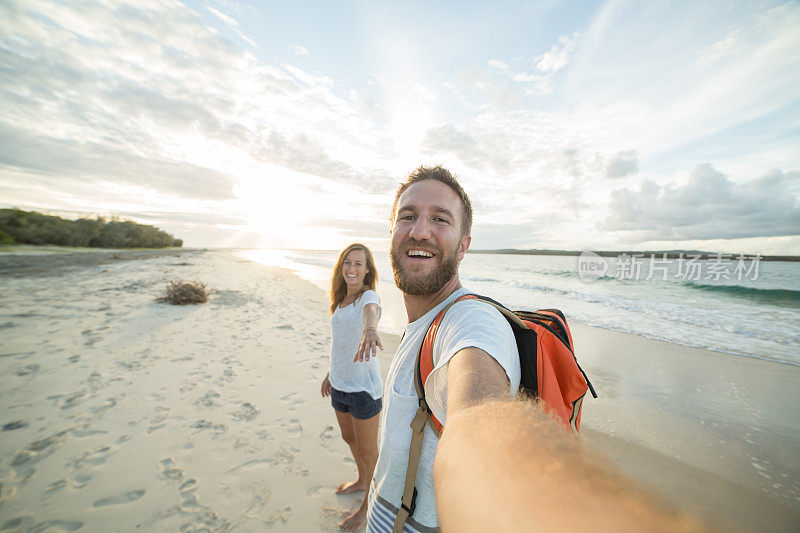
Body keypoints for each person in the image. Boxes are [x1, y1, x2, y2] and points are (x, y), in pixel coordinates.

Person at [365, 166, 701, 533]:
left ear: (464, 246)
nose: (419, 230)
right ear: (392, 232)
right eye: (408, 216)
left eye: (440, 219)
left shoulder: (471, 323)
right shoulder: (419, 323)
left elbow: (478, 416)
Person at [321, 243, 384, 531]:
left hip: (363, 390)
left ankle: (369, 505)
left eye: (359, 264)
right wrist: (330, 374)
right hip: (340, 385)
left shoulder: (367, 297)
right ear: (341, 266)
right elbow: (341, 343)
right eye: (348, 262)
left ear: (367, 270)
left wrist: (371, 329)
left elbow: (372, 312)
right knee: (350, 439)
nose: (352, 269)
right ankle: (362, 480)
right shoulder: (340, 300)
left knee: (369, 450)